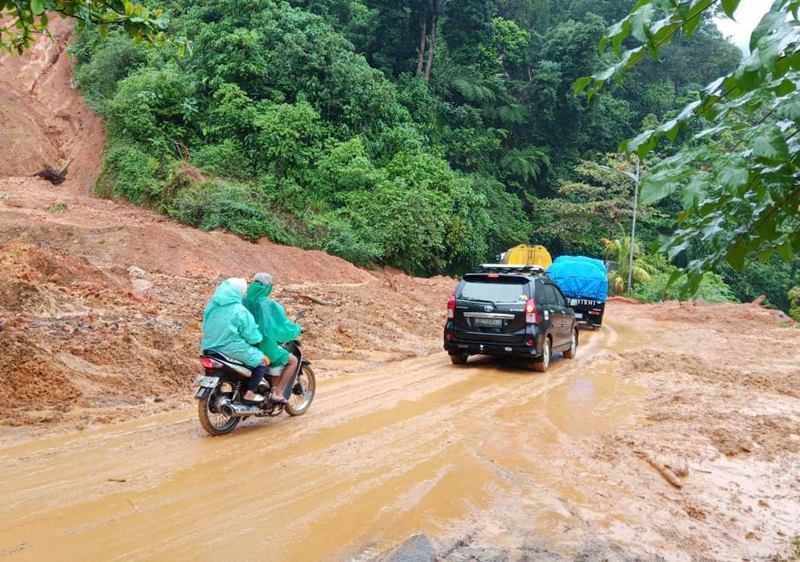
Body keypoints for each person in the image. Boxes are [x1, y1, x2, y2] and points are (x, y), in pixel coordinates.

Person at [201, 278, 270, 405]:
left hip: (209, 347)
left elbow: (205, 325)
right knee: (263, 362)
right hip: (231, 348)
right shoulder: (239, 310)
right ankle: (249, 393)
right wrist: (259, 338)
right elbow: (253, 337)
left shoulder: (211, 306)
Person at [242, 273, 302, 406]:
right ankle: (277, 392)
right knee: (292, 360)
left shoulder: (242, 299)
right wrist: (296, 329)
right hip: (264, 344)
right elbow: (281, 325)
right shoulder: (269, 304)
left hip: (245, 343)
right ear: (268, 287)